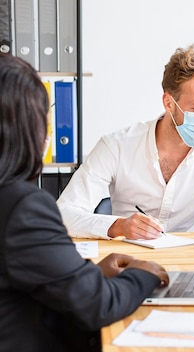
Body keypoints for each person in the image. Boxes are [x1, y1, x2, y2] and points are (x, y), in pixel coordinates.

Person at [0, 53, 170, 351]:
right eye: (45, 120)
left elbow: (22, 272)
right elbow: (98, 305)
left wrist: (87, 273)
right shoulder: (21, 207)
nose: (48, 133)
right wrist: (144, 274)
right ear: (24, 128)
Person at [57, 44, 194, 240]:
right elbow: (64, 214)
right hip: (127, 265)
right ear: (168, 102)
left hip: (186, 265)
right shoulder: (117, 146)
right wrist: (119, 226)